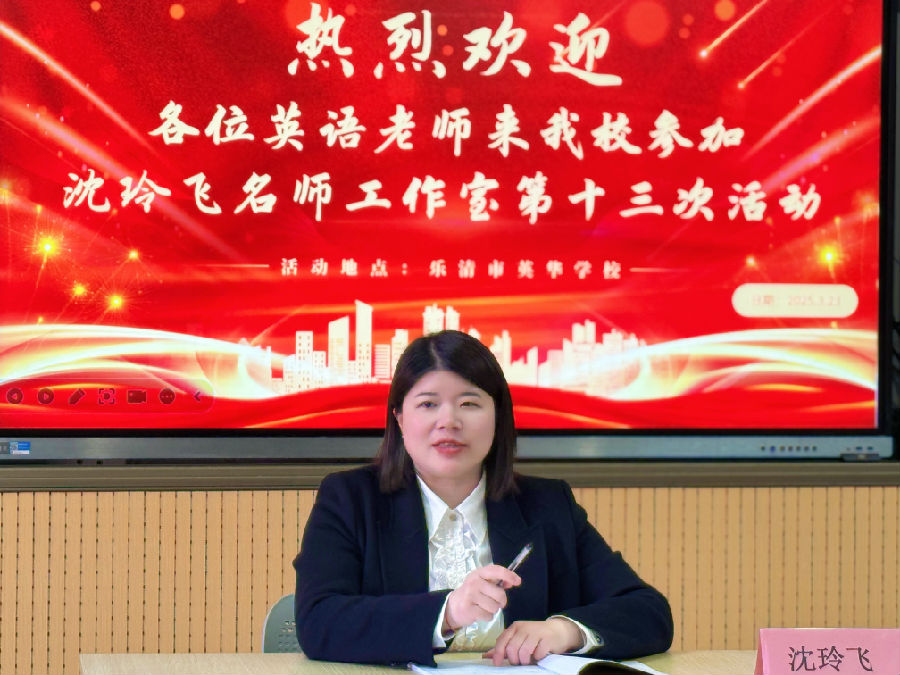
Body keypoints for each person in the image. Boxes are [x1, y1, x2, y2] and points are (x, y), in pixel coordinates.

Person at [293, 330, 673, 666]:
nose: (449, 421)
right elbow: (319, 621)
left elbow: (648, 612)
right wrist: (446, 613)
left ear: (497, 417)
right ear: (400, 418)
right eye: (428, 404)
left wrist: (564, 631)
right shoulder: (350, 499)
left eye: (469, 403)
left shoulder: (548, 506)